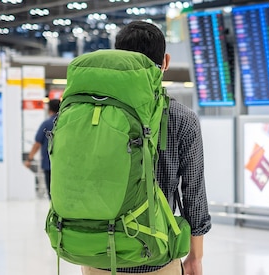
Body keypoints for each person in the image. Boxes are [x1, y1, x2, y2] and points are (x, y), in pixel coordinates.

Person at [80, 21, 211, 275]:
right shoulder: (182, 118)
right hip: (157, 258)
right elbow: (194, 195)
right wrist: (195, 257)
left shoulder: (92, 113)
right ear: (165, 62)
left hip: (99, 256)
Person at [24, 99, 60, 200]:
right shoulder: (66, 123)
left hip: (48, 164)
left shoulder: (47, 124)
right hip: (63, 165)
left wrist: (29, 159)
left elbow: (37, 144)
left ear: (49, 110)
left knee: (51, 194)